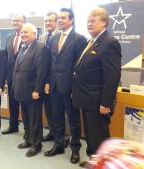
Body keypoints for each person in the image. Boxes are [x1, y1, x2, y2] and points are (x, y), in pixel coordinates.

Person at [71, 7, 121, 167]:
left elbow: (112, 77)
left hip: (98, 102)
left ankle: (102, 164)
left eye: (93, 21)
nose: (89, 24)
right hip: (86, 99)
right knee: (91, 137)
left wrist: (106, 103)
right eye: (87, 21)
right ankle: (94, 161)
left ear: (104, 23)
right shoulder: (91, 41)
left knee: (99, 138)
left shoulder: (110, 43)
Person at [44, 8, 87, 164]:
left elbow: (80, 67)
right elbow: (51, 63)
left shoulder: (79, 39)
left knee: (74, 119)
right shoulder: (54, 38)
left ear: (71, 20)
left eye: (63, 18)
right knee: (56, 118)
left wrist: (76, 88)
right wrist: (48, 82)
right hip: (55, 85)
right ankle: (59, 144)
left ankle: (75, 149)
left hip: (70, 88)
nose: (60, 20)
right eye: (59, 18)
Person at [13, 23, 48, 157]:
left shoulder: (40, 48)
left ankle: (36, 144)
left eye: (26, 32)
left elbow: (42, 71)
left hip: (32, 91)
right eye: (22, 32)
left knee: (35, 120)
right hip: (21, 90)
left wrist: (37, 90)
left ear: (35, 34)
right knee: (26, 118)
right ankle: (28, 139)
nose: (23, 34)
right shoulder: (23, 48)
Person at [2, 14, 27, 136]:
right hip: (11, 77)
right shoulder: (9, 37)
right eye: (13, 20)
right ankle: (13, 125)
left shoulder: (28, 36)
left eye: (18, 20)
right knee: (12, 103)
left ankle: (28, 130)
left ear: (24, 22)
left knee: (25, 105)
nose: (15, 22)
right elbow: (6, 57)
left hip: (25, 79)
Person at [38, 11, 59, 142]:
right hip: (43, 79)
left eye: (51, 20)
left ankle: (62, 136)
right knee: (48, 109)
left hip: (56, 80)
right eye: (46, 21)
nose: (48, 23)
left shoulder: (61, 36)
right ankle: (52, 131)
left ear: (57, 22)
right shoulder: (42, 37)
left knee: (59, 110)